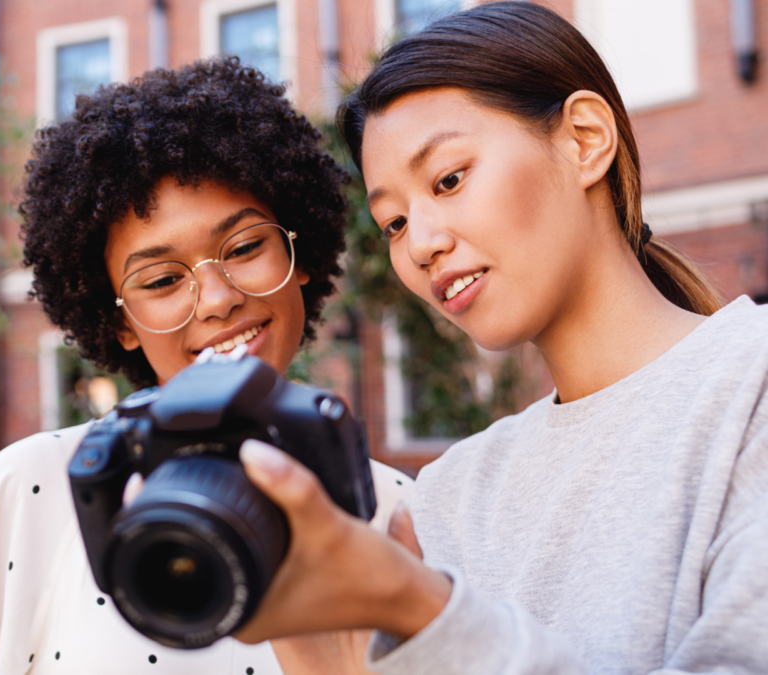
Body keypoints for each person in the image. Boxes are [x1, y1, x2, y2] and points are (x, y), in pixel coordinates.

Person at [227, 2, 768, 674]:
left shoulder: (749, 388)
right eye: (393, 222)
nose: (421, 244)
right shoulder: (450, 495)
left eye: (449, 179)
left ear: (585, 138)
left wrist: (426, 613)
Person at [0, 58, 411, 675]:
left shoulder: (400, 513)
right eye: (160, 279)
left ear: (300, 251)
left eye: (245, 247)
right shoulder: (34, 488)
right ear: (120, 320)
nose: (218, 298)